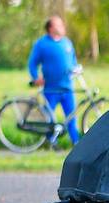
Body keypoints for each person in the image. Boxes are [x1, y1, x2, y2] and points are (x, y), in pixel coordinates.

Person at [28, 15, 80, 145]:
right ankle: (51, 142)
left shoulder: (67, 42)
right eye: (59, 25)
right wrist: (35, 77)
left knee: (72, 118)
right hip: (51, 89)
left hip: (68, 88)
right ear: (51, 28)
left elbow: (73, 61)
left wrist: (76, 69)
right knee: (49, 119)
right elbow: (32, 63)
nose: (62, 27)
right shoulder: (41, 44)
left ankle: (76, 143)